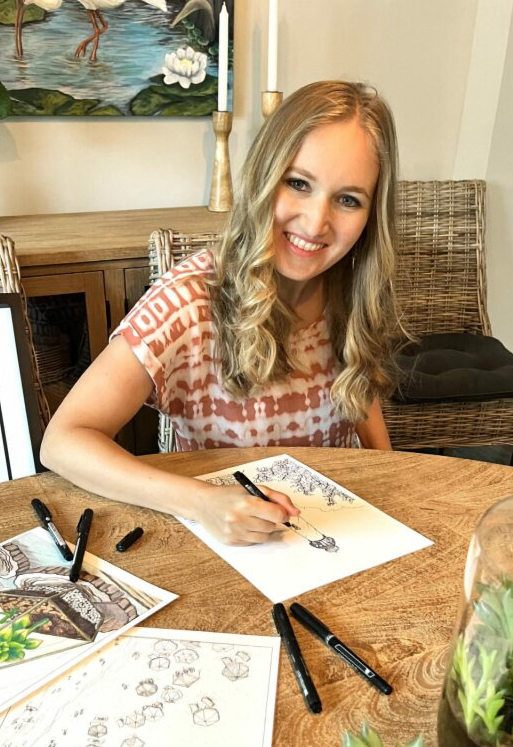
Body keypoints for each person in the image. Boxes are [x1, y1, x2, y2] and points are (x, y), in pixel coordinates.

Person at [40, 80, 402, 546]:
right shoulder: (187, 302)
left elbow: (359, 390)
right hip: (225, 548)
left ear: (372, 214)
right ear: (263, 177)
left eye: (348, 199)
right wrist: (202, 500)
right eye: (298, 184)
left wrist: (390, 476)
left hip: (329, 533)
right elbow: (63, 442)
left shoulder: (351, 288)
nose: (316, 223)